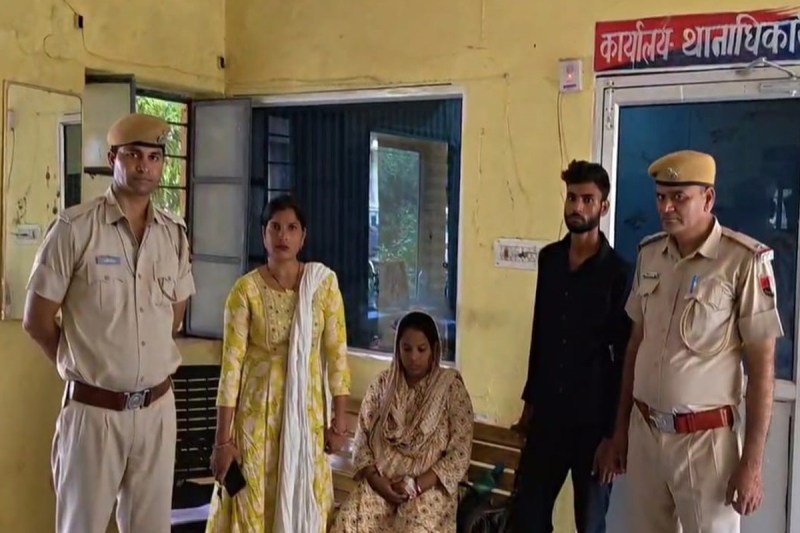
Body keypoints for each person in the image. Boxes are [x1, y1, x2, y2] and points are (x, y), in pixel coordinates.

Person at [22, 113, 195, 533]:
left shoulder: (173, 233)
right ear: (112, 158)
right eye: (134, 155)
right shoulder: (75, 228)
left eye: (154, 157)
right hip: (93, 413)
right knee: (81, 525)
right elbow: (37, 320)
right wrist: (85, 367)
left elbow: (174, 316)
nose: (144, 166)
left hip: (156, 410)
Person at [605, 150, 783, 532]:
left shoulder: (742, 263)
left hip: (705, 443)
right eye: (660, 197)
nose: (666, 207)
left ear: (708, 198)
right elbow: (635, 346)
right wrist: (620, 430)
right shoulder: (650, 255)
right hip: (646, 435)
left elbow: (762, 365)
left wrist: (751, 462)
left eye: (679, 197)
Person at [206, 194, 351, 533]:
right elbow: (231, 370)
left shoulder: (323, 286)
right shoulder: (245, 292)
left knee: (305, 500)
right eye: (275, 227)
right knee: (252, 502)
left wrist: (339, 425)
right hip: (256, 420)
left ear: (304, 236)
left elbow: (338, 358)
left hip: (307, 418)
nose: (283, 236)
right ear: (263, 235)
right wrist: (222, 441)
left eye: (291, 228)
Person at [509, 160, 631, 533]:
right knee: (527, 515)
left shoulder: (619, 272)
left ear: (603, 207)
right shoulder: (550, 260)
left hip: (593, 422)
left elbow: (624, 355)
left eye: (588, 199)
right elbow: (540, 334)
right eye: (572, 197)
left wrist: (614, 435)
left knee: (590, 522)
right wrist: (529, 406)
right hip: (547, 414)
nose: (577, 207)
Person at [331, 310, 474, 533]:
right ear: (398, 348)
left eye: (421, 349)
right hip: (381, 486)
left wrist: (414, 486)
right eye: (406, 349)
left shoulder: (451, 390)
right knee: (348, 520)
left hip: (428, 490)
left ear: (434, 350)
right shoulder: (382, 385)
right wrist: (379, 483)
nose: (413, 357)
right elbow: (362, 439)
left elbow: (460, 453)